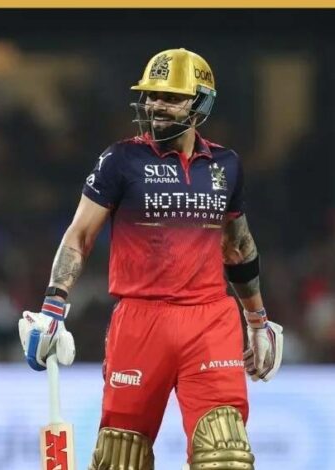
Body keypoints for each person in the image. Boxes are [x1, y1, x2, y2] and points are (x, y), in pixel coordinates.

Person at [18, 48, 284, 469]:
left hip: (209, 321)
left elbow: (238, 246)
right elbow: (80, 235)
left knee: (226, 454)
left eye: (171, 97)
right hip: (141, 323)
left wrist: (257, 321)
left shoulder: (226, 165)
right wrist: (53, 306)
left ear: (200, 103)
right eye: (151, 95)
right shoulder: (120, 160)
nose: (156, 105)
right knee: (122, 458)